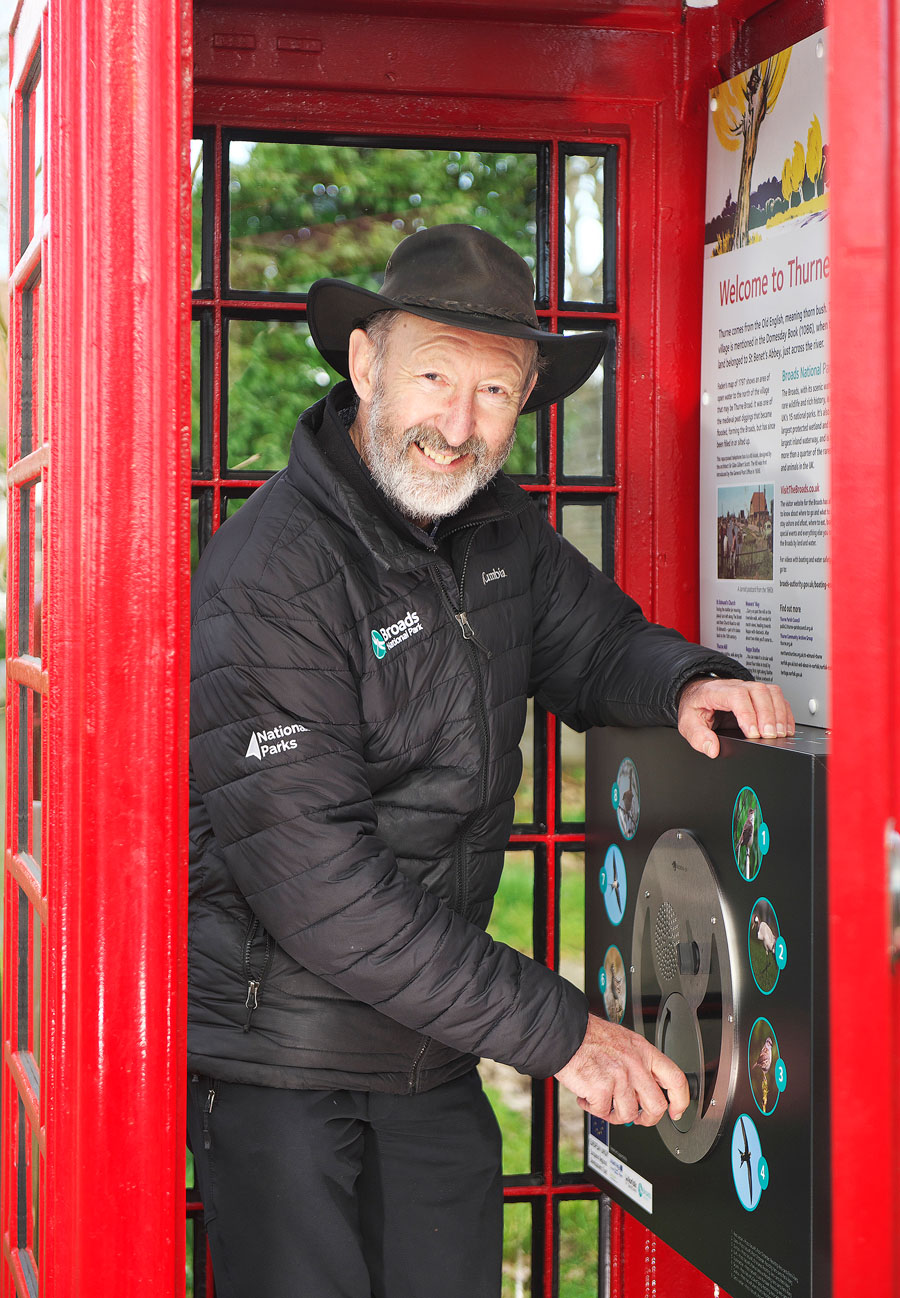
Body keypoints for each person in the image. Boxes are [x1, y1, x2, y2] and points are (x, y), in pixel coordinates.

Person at [187, 224, 793, 1298]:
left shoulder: (497, 531)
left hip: (432, 1043)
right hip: (285, 1070)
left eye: (495, 392)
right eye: (433, 376)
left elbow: (600, 644)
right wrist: (567, 1034)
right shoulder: (270, 575)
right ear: (365, 362)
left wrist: (687, 679)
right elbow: (322, 888)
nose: (456, 426)